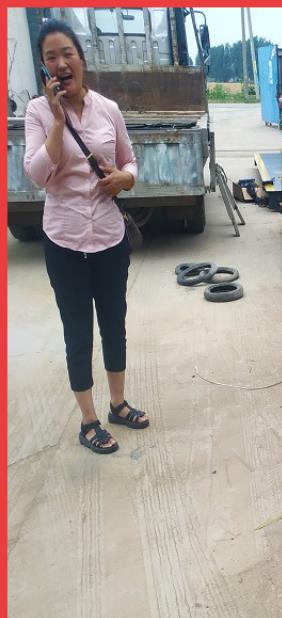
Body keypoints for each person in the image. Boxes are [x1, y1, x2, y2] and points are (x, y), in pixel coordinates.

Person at [24, 19, 149, 455]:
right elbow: (37, 174)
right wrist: (58, 123)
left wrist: (125, 179)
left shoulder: (108, 109)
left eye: (67, 54)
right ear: (44, 68)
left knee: (114, 325)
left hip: (110, 240)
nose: (61, 63)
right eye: (51, 57)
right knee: (78, 333)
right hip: (65, 243)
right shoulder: (38, 113)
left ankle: (118, 404)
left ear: (81, 59)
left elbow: (130, 161)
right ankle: (88, 421)